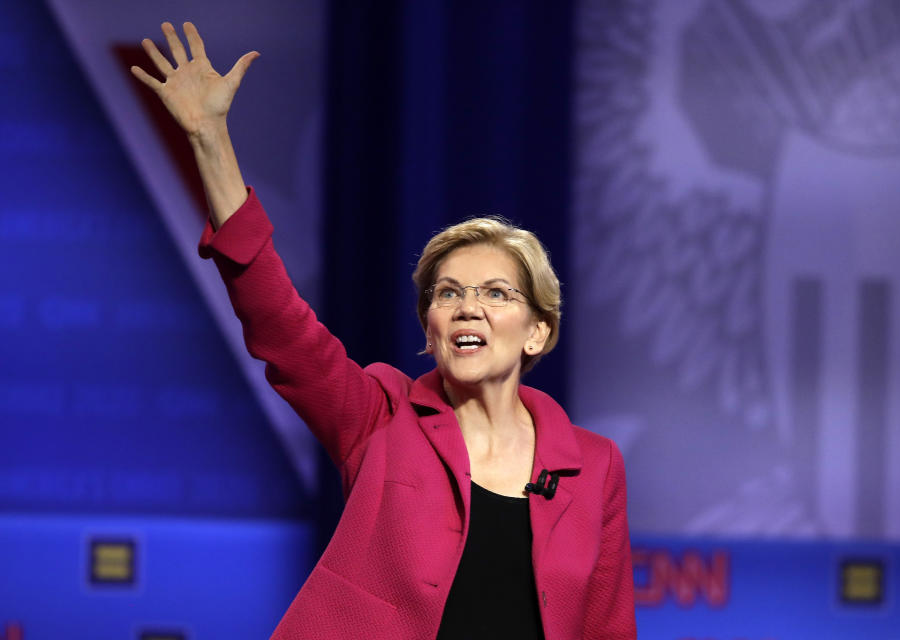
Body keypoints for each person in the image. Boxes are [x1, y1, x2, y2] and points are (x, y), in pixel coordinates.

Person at [132, 22, 636, 640]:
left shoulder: (594, 466)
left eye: (496, 293)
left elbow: (607, 628)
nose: (467, 307)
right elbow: (280, 325)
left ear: (538, 332)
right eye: (448, 293)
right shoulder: (379, 417)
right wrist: (210, 139)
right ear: (430, 328)